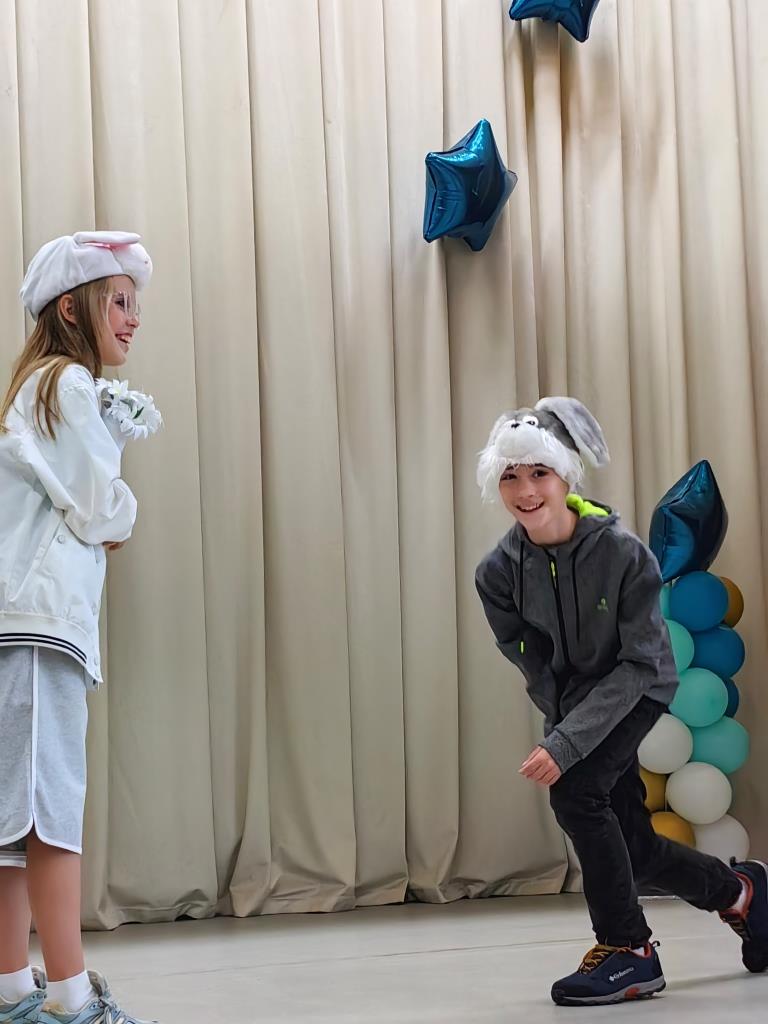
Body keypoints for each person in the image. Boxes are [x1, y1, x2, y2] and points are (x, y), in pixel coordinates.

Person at [474, 396, 768, 1006]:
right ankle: (742, 894)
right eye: (510, 476)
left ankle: (628, 949)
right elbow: (524, 650)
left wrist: (567, 742)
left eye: (539, 473)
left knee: (576, 794)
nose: (525, 490)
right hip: (575, 700)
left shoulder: (622, 553)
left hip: (640, 684)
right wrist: (564, 716)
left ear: (565, 475)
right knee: (632, 845)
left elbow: (639, 661)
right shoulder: (498, 570)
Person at [0, 232, 158, 1024]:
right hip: (39, 630)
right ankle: (69, 1000)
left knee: (14, 820)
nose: (132, 318)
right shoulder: (65, 383)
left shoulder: (38, 386)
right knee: (49, 814)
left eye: (136, 305)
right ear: (72, 308)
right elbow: (104, 512)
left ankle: (12, 992)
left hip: (23, 625)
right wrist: (120, 502)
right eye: (118, 302)